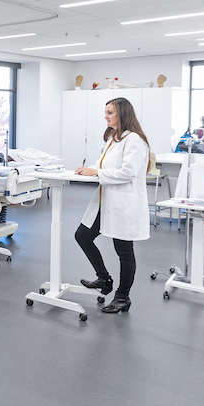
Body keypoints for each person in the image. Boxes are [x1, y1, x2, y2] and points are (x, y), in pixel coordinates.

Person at [74, 97, 151, 314]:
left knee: (124, 251)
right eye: (105, 112)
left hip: (124, 203)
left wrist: (96, 172)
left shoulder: (134, 140)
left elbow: (128, 173)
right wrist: (87, 169)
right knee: (83, 236)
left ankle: (122, 297)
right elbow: (103, 165)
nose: (105, 116)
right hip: (105, 200)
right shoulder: (113, 138)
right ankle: (104, 279)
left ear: (122, 114)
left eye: (110, 113)